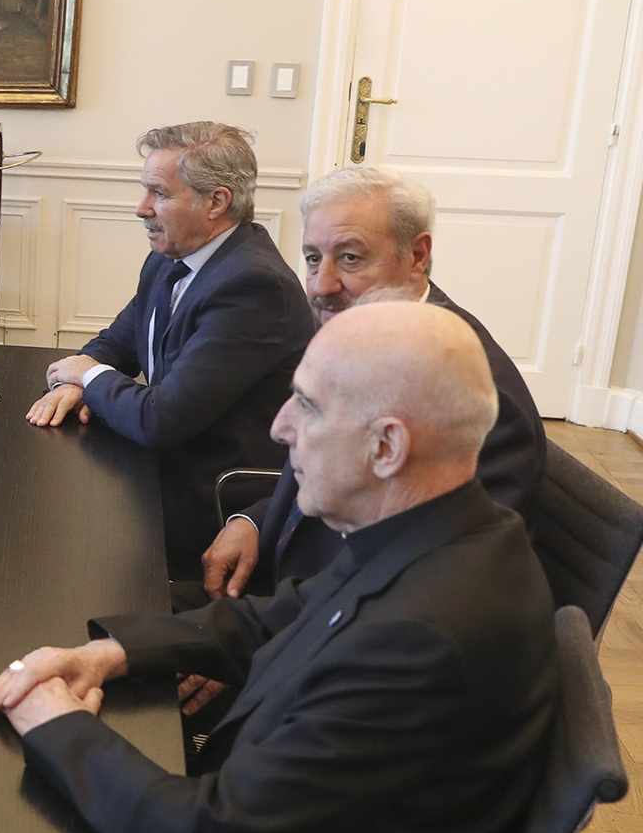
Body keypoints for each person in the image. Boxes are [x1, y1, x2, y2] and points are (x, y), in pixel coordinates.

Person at [0, 302, 556, 833]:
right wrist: (115, 654)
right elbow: (284, 613)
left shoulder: (423, 641)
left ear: (387, 448)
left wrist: (56, 724)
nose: (279, 428)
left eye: (307, 407)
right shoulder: (444, 530)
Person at [199, 163, 545, 604]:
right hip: (283, 589)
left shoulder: (473, 393)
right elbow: (329, 466)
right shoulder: (355, 329)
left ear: (417, 257)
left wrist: (252, 645)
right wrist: (253, 522)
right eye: (311, 258)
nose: (321, 285)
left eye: (350, 258)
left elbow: (433, 581)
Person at [27, 122, 314, 579]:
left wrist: (90, 378)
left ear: (216, 202)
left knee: (47, 547)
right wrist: (82, 376)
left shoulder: (253, 286)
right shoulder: (170, 256)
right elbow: (119, 340)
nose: (141, 209)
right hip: (160, 469)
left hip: (212, 503)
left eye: (158, 193)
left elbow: (160, 419)